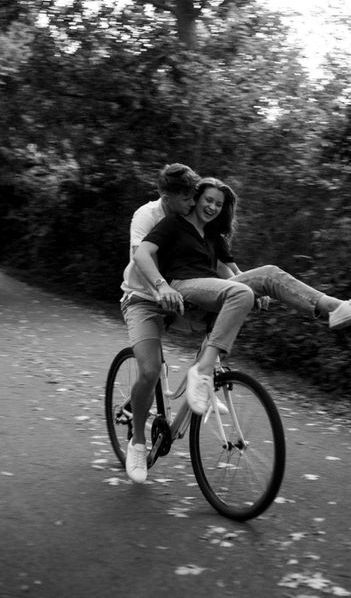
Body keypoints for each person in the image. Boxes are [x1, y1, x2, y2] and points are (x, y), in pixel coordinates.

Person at [135, 176, 351, 436]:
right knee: (241, 292)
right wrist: (162, 286)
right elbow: (142, 253)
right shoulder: (173, 223)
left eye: (218, 204)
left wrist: (256, 288)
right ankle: (202, 370)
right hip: (182, 286)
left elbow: (232, 271)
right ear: (195, 200)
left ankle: (336, 307)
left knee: (269, 274)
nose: (213, 207)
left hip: (209, 289)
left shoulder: (214, 236)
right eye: (208, 200)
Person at [120, 163, 200, 483]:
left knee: (221, 330)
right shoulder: (146, 216)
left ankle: (205, 384)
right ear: (166, 196)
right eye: (185, 197)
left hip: (176, 300)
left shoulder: (189, 220)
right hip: (141, 300)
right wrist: (160, 287)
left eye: (193, 195)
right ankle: (138, 442)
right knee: (151, 370)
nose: (192, 202)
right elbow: (141, 258)